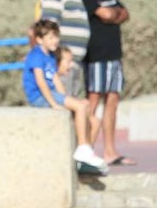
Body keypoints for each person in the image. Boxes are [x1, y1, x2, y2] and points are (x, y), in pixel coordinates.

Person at [23, 19, 107, 172]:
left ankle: (85, 160)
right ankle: (82, 148)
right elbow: (41, 82)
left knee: (93, 118)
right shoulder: (36, 55)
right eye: (50, 37)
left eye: (56, 36)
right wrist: (54, 104)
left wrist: (67, 99)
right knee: (80, 106)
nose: (55, 40)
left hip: (51, 94)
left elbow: (55, 80)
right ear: (39, 39)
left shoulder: (50, 55)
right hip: (40, 97)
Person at [77, 0, 134, 166]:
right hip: (96, 57)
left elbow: (124, 13)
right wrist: (113, 14)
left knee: (112, 101)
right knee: (93, 102)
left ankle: (110, 151)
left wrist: (114, 14)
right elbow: (107, 15)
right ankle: (87, 151)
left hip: (114, 56)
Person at [38, 0, 90, 99]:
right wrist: (58, 60)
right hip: (62, 66)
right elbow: (49, 29)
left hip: (73, 64)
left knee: (74, 105)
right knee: (64, 104)